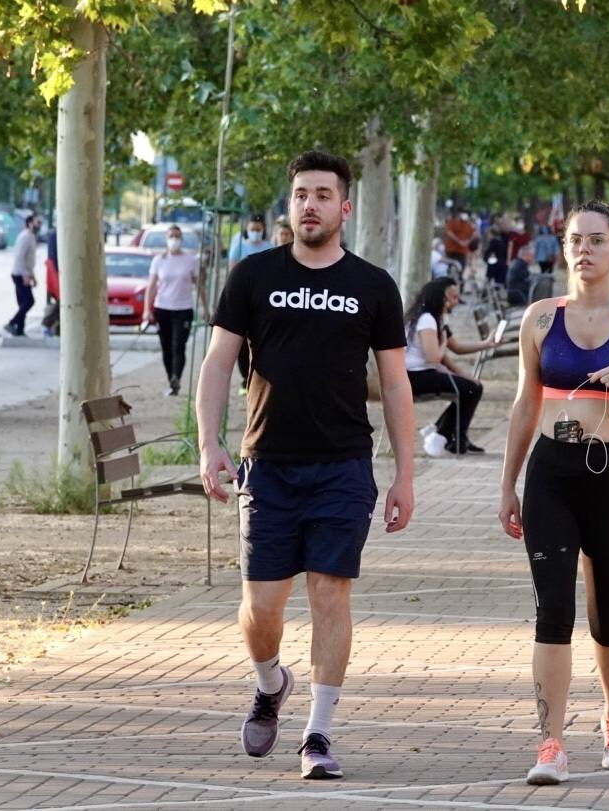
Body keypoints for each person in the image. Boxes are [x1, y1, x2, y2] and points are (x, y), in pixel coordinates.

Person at [196, 150, 414, 781]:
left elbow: (396, 385)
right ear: (289, 206)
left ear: (344, 208)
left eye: (323, 194)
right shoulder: (253, 276)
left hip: (344, 467)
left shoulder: (373, 285)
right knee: (261, 608)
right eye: (300, 195)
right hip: (266, 466)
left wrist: (404, 474)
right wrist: (210, 444)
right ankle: (270, 683)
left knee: (328, 594)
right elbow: (216, 364)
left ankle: (318, 734)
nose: (310, 204)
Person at [499, 201, 609, 785]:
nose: (585, 250)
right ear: (564, 246)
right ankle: (550, 743)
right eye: (576, 240)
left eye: (597, 240)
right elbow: (526, 403)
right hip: (551, 474)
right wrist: (508, 485)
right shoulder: (541, 318)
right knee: (552, 612)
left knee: (608, 615)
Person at [404, 277, 497, 454]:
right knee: (470, 390)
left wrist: (486, 344)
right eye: (452, 298)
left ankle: (448, 433)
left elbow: (458, 348)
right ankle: (449, 436)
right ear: (440, 299)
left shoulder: (435, 319)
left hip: (425, 373)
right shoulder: (426, 320)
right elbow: (434, 357)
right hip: (414, 377)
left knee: (472, 387)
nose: (454, 302)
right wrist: (444, 342)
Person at [146, 225, 207, 396]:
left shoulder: (190, 260)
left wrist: (204, 307)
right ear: (166, 238)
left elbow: (199, 285)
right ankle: (171, 379)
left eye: (177, 236)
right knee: (166, 347)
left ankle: (176, 377)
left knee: (178, 345)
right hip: (162, 308)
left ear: (181, 239)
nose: (174, 239)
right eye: (171, 235)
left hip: (183, 309)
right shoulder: (159, 260)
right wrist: (147, 310)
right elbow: (151, 286)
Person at [230, 215, 273, 393]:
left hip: (263, 300)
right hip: (244, 300)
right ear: (247, 229)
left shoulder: (269, 248)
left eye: (258, 229)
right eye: (252, 229)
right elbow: (233, 271)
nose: (255, 232)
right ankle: (245, 377)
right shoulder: (239, 247)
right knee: (241, 342)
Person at [6, 214, 40, 336]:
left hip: (23, 273)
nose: (39, 225)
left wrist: (32, 276)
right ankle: (12, 323)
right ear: (30, 223)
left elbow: (29, 260)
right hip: (19, 274)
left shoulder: (31, 236)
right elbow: (20, 257)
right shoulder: (25, 236)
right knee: (29, 301)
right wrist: (26, 275)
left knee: (23, 302)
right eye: (38, 222)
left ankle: (19, 329)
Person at [484, 218, 510, 286]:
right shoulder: (500, 240)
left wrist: (486, 259)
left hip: (499, 262)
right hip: (501, 262)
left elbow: (488, 252)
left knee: (493, 279)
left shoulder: (495, 241)